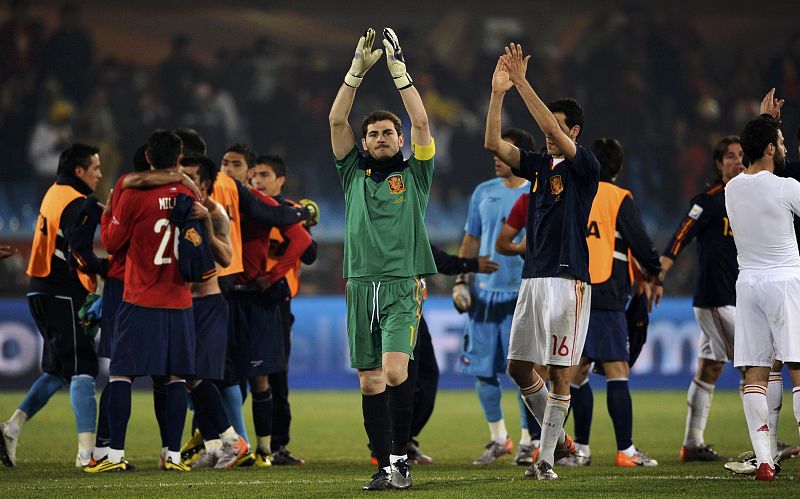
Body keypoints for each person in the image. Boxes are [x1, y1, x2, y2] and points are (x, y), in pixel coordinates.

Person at [485, 44, 599, 481]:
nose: (549, 134)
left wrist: (522, 83)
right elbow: (493, 142)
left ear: (576, 131)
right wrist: (499, 93)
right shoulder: (537, 167)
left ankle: (546, 460)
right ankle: (560, 438)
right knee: (517, 366)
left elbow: (546, 124)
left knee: (557, 372)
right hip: (534, 278)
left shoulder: (584, 166)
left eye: (559, 128)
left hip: (568, 279)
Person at [329, 27, 436, 490]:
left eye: (388, 132)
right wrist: (355, 73)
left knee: (395, 371)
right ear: (365, 142)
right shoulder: (351, 172)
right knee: (370, 382)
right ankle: (384, 464)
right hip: (358, 285)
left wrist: (399, 74)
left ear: (399, 138)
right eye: (372, 133)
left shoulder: (417, 174)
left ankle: (399, 459)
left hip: (399, 285)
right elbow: (336, 122)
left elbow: (424, 125)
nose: (380, 138)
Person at [88, 130, 199, 472]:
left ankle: (114, 455)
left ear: (148, 158)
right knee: (176, 377)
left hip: (140, 297)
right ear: (179, 159)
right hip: (179, 297)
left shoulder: (131, 192)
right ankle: (173, 455)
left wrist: (108, 212)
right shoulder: (187, 191)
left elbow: (111, 242)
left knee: (121, 374)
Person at [0, 143, 107, 468]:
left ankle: (12, 427)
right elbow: (78, 251)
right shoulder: (77, 202)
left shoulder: (55, 192)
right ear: (79, 171)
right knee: (83, 367)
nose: (100, 173)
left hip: (40, 289)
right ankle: (86, 455)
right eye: (95, 167)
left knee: (58, 370)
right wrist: (108, 268)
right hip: (62, 291)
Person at [562, 138, 661, 468]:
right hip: (605, 291)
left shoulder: (574, 190)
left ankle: (581, 450)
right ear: (618, 167)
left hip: (573, 288)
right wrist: (655, 272)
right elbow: (642, 245)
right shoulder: (618, 197)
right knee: (617, 369)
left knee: (576, 372)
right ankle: (626, 451)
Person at [452, 127, 541, 466]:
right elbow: (471, 240)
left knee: (525, 371)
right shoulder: (482, 193)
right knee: (483, 370)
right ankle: (498, 438)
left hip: (522, 293)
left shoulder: (539, 192)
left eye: (504, 151)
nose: (496, 157)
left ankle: (529, 440)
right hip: (484, 297)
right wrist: (462, 279)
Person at [220, 143, 312, 468]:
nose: (228, 170)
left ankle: (265, 449)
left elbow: (302, 242)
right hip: (223, 298)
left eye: (236, 165)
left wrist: (273, 275)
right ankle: (221, 444)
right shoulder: (215, 198)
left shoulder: (260, 203)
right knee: (219, 376)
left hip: (256, 299)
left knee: (262, 378)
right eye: (225, 163)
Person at [656, 136, 744, 462]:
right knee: (754, 368)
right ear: (719, 164)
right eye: (730, 157)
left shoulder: (750, 197)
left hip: (739, 296)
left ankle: (692, 444)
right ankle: (766, 445)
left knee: (709, 369)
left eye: (741, 156)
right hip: (717, 298)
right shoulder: (708, 202)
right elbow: (680, 236)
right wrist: (659, 274)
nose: (737, 161)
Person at [724, 105, 800, 482]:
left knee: (755, 373)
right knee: (798, 369)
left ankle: (765, 460)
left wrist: (767, 123)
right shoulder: (787, 187)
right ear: (770, 148)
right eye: (780, 142)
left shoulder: (731, 188)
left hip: (748, 284)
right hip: (785, 281)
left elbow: (758, 171)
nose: (785, 147)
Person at [179, 154, 249, 470]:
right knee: (190, 379)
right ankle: (213, 445)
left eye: (190, 175)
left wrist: (206, 226)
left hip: (209, 304)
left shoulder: (216, 213)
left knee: (202, 376)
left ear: (205, 184)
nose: (183, 179)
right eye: (181, 173)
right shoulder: (175, 210)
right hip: (181, 303)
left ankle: (233, 441)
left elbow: (226, 256)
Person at [252, 154, 318, 465]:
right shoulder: (248, 206)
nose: (257, 181)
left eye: (264, 175)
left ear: (280, 180)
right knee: (231, 377)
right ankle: (222, 441)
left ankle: (277, 446)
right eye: (254, 175)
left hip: (277, 303)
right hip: (242, 296)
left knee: (277, 378)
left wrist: (302, 222)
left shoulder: (289, 212)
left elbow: (310, 254)